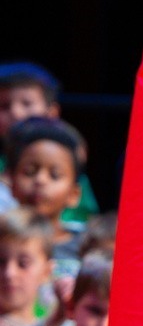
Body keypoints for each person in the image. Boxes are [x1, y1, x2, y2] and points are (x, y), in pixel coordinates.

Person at [0, 61, 99, 225]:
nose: (16, 113)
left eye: (27, 103)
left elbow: (83, 220)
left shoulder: (68, 163)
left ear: (52, 112)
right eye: (4, 106)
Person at [4, 115, 89, 288]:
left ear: (74, 194)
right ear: (11, 183)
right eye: (29, 172)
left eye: (54, 175)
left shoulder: (86, 246)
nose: (40, 180)